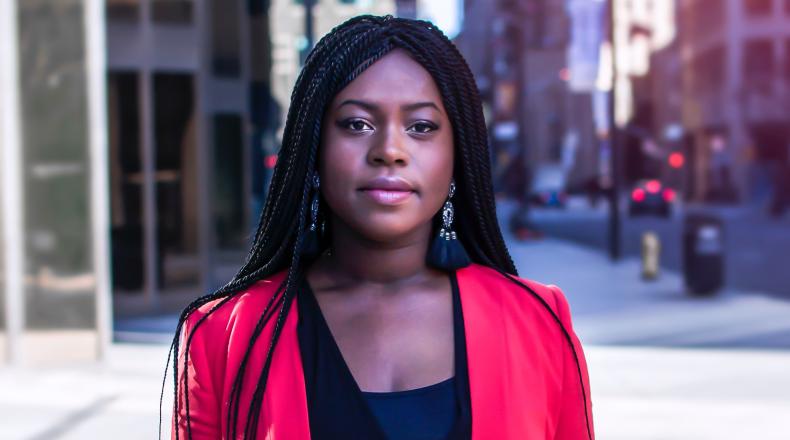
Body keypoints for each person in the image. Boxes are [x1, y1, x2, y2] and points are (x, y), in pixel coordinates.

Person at [168, 15, 594, 440]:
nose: (390, 150)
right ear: (313, 148)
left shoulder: (539, 320)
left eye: (421, 127)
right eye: (357, 124)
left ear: (457, 155)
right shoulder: (221, 336)